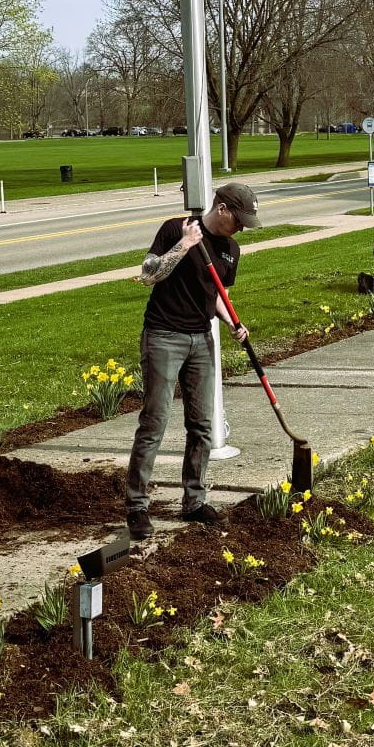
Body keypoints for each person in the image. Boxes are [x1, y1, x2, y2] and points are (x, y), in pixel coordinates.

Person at [125, 183, 259, 541]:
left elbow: (218, 294)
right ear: (223, 209)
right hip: (164, 335)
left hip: (202, 339)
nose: (242, 227)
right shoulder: (176, 228)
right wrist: (184, 245)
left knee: (201, 425)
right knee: (154, 423)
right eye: (239, 219)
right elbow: (148, 275)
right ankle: (137, 506)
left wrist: (233, 323)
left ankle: (194, 502)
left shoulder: (231, 249)